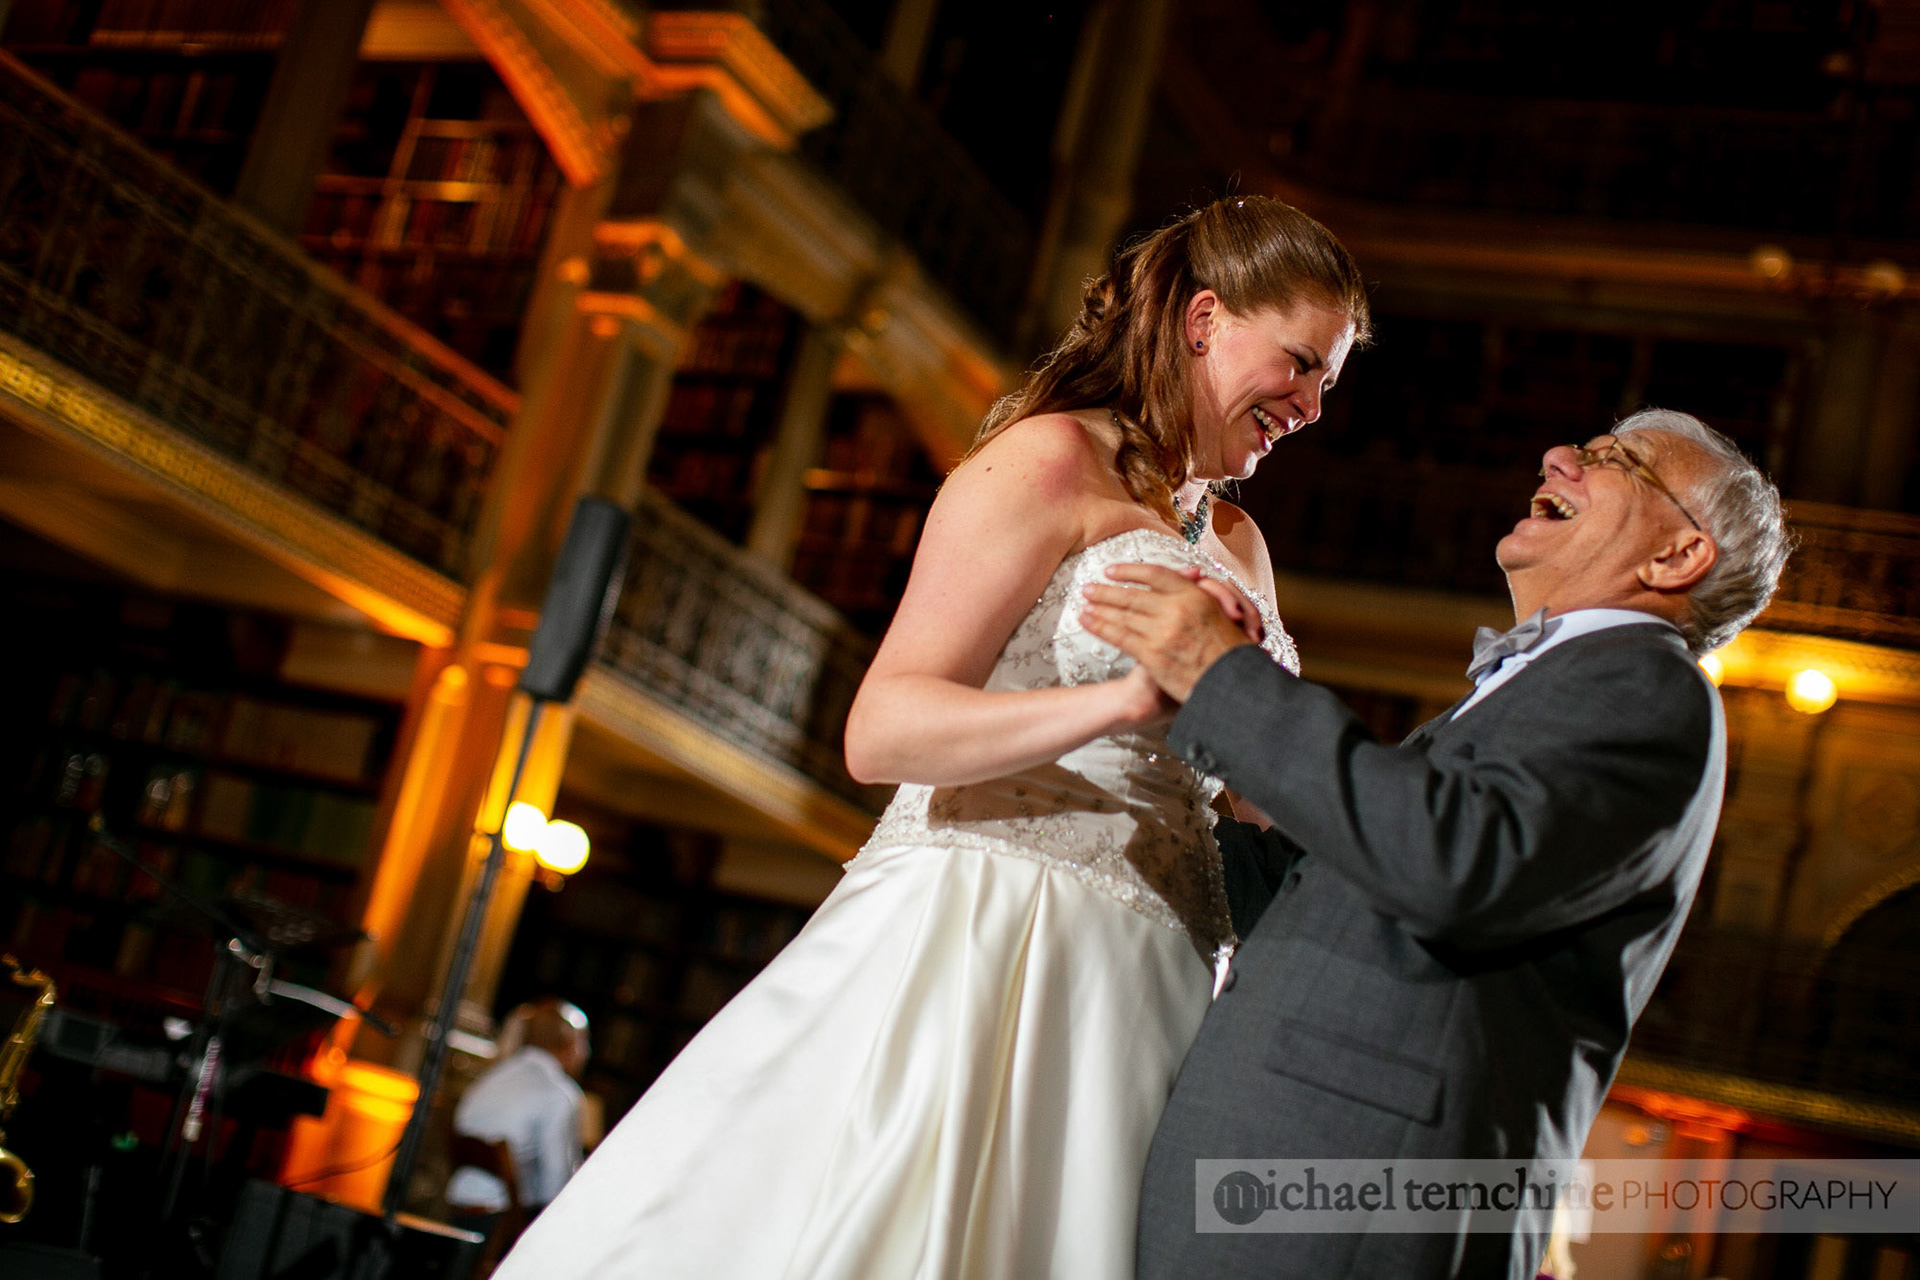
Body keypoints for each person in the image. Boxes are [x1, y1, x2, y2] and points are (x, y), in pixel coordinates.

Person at [493, 194, 1368, 1279]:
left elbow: (1251, 792)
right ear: (1203, 322)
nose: (1314, 404)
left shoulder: (1241, 542)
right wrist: (1120, 702)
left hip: (1163, 971)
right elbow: (884, 725)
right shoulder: (1047, 462)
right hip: (995, 934)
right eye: (1299, 362)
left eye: (1329, 379)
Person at [1079, 409, 1791, 1278]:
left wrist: (1225, 680)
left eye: (1618, 461)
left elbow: (1452, 863)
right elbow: (1326, 889)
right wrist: (1091, 809)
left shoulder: (1651, 686)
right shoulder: (1532, 689)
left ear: (1677, 557)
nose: (1560, 453)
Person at [446, 998, 590, 1217]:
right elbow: (556, 1186)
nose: (586, 1052)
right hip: (503, 1220)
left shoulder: (493, 1076)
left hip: (456, 1207)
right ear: (568, 1043)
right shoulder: (560, 1094)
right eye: (583, 1042)